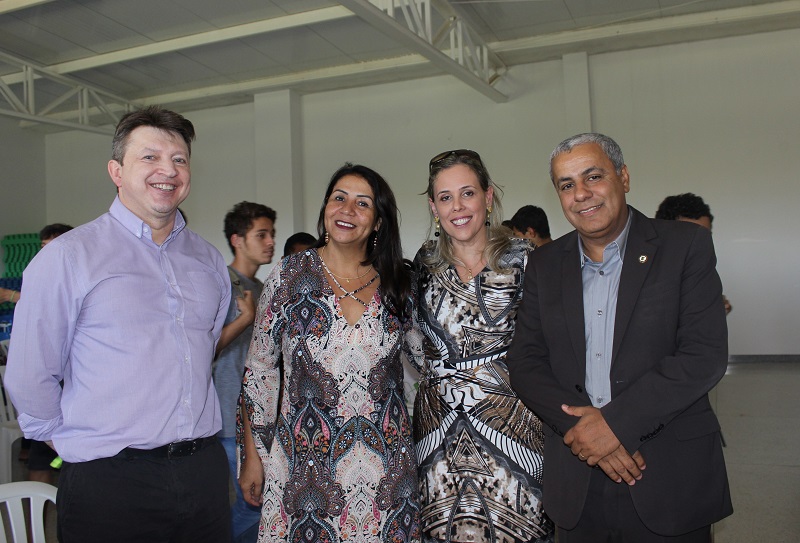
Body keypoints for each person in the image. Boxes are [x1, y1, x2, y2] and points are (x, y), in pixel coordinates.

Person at [5, 106, 232, 543]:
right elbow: (30, 370)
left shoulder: (207, 260)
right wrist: (63, 439)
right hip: (110, 479)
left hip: (201, 471)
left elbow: (203, 351)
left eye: (179, 159)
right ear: (116, 171)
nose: (168, 170)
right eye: (150, 157)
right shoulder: (69, 256)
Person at [506, 133, 732, 542]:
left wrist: (614, 426)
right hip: (577, 474)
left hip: (667, 473)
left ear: (623, 177)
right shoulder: (544, 264)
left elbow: (703, 354)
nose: (581, 194)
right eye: (567, 184)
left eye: (593, 176)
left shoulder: (684, 246)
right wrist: (585, 432)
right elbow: (525, 361)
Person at [238, 163, 422, 543]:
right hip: (304, 469)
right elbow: (260, 369)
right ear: (325, 208)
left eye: (362, 203)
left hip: (387, 470)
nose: (347, 210)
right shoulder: (289, 276)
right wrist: (253, 455)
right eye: (339, 198)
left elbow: (429, 362)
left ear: (378, 222)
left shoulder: (398, 283)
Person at [412, 149, 554, 542]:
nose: (457, 207)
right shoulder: (424, 265)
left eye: (467, 193)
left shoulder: (525, 259)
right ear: (434, 207)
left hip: (515, 431)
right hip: (438, 435)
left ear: (488, 197)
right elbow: (413, 342)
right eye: (445, 197)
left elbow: (552, 343)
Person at [214, 201, 277, 543]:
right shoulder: (222, 284)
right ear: (237, 240)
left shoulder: (261, 288)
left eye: (272, 234)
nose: (270, 242)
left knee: (260, 503)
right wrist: (245, 320)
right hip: (229, 417)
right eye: (261, 234)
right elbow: (204, 348)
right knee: (252, 504)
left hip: (258, 415)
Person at [2, 222, 73, 473]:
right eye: (43, 246)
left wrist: (10, 296)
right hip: (48, 378)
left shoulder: (79, 275)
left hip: (73, 378)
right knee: (41, 455)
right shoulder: (37, 273)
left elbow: (56, 307)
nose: (47, 252)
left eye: (53, 246)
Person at [656, 192, 731, 314]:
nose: (699, 244)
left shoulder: (703, 275)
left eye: (705, 237)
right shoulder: (635, 274)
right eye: (688, 237)